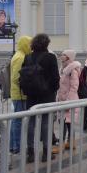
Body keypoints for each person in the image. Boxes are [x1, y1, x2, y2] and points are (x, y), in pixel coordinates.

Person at [23, 34, 60, 163]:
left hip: (31, 95)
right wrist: (53, 89)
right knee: (46, 123)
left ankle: (31, 153)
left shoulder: (27, 57)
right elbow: (56, 77)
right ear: (46, 44)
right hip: (47, 95)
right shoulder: (50, 57)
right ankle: (46, 152)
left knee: (31, 123)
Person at [9, 35, 32, 154]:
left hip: (18, 93)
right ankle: (16, 146)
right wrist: (26, 83)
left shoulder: (20, 55)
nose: (31, 47)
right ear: (25, 44)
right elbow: (16, 77)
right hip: (19, 94)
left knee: (16, 120)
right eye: (29, 44)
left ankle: (13, 146)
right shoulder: (20, 57)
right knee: (18, 121)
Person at [56, 50, 81, 150]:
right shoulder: (63, 69)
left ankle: (66, 143)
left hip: (69, 101)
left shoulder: (72, 71)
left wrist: (68, 102)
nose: (61, 57)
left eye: (64, 55)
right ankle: (69, 143)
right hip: (63, 101)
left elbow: (74, 87)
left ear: (69, 57)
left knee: (68, 123)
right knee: (64, 122)